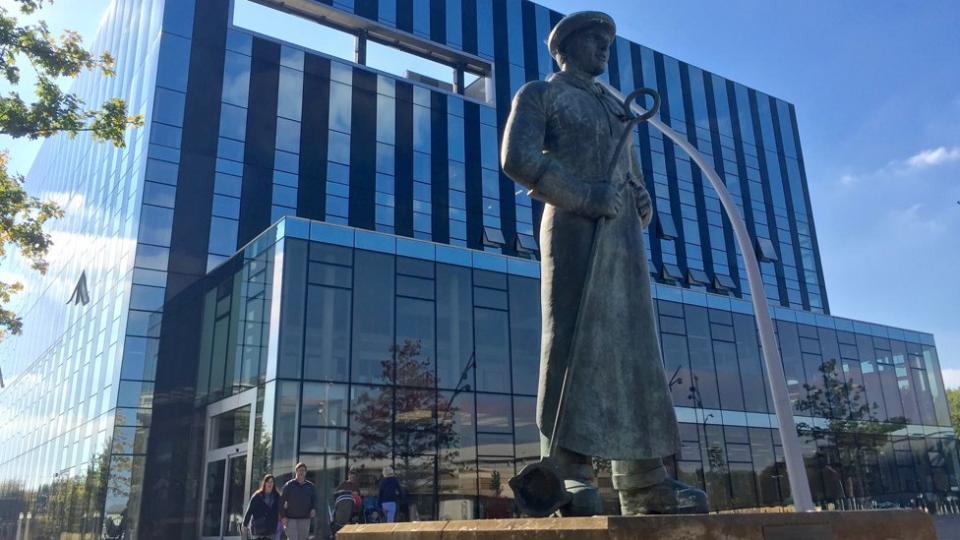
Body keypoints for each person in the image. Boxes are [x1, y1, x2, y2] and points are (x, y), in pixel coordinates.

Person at [500, 11, 709, 516]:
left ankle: (642, 476)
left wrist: (641, 202)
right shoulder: (540, 94)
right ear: (566, 48)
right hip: (573, 227)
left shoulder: (617, 110)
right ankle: (567, 467)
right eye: (595, 40)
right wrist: (582, 195)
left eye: (607, 42)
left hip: (620, 236)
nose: (604, 48)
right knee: (570, 339)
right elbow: (517, 157)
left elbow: (631, 176)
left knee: (634, 344)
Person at [280, 462, 317, 540]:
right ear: (296, 471)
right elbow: (281, 502)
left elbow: (314, 500)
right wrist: (283, 517)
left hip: (305, 519)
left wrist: (313, 509)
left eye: (303, 470)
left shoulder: (310, 486)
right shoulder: (289, 485)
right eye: (299, 470)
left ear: (306, 472)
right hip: (291, 519)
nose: (301, 472)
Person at [241, 475, 281, 540]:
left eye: (272, 482)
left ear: (274, 484)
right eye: (268, 482)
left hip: (271, 529)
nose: (270, 484)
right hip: (258, 529)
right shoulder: (256, 496)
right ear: (264, 483)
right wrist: (244, 524)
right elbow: (249, 511)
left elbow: (281, 509)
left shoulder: (277, 497)